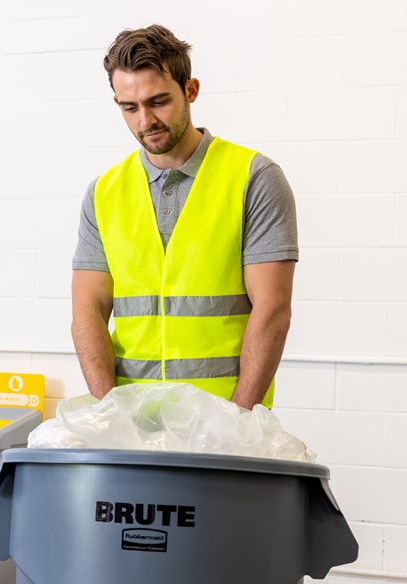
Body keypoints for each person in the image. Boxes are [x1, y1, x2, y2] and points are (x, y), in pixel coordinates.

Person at [71, 24, 297, 410]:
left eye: (159, 101)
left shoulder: (254, 178)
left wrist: (235, 421)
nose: (145, 121)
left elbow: (272, 311)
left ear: (190, 91)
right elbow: (87, 312)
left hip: (223, 419)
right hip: (133, 422)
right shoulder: (104, 191)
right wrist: (110, 412)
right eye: (130, 107)